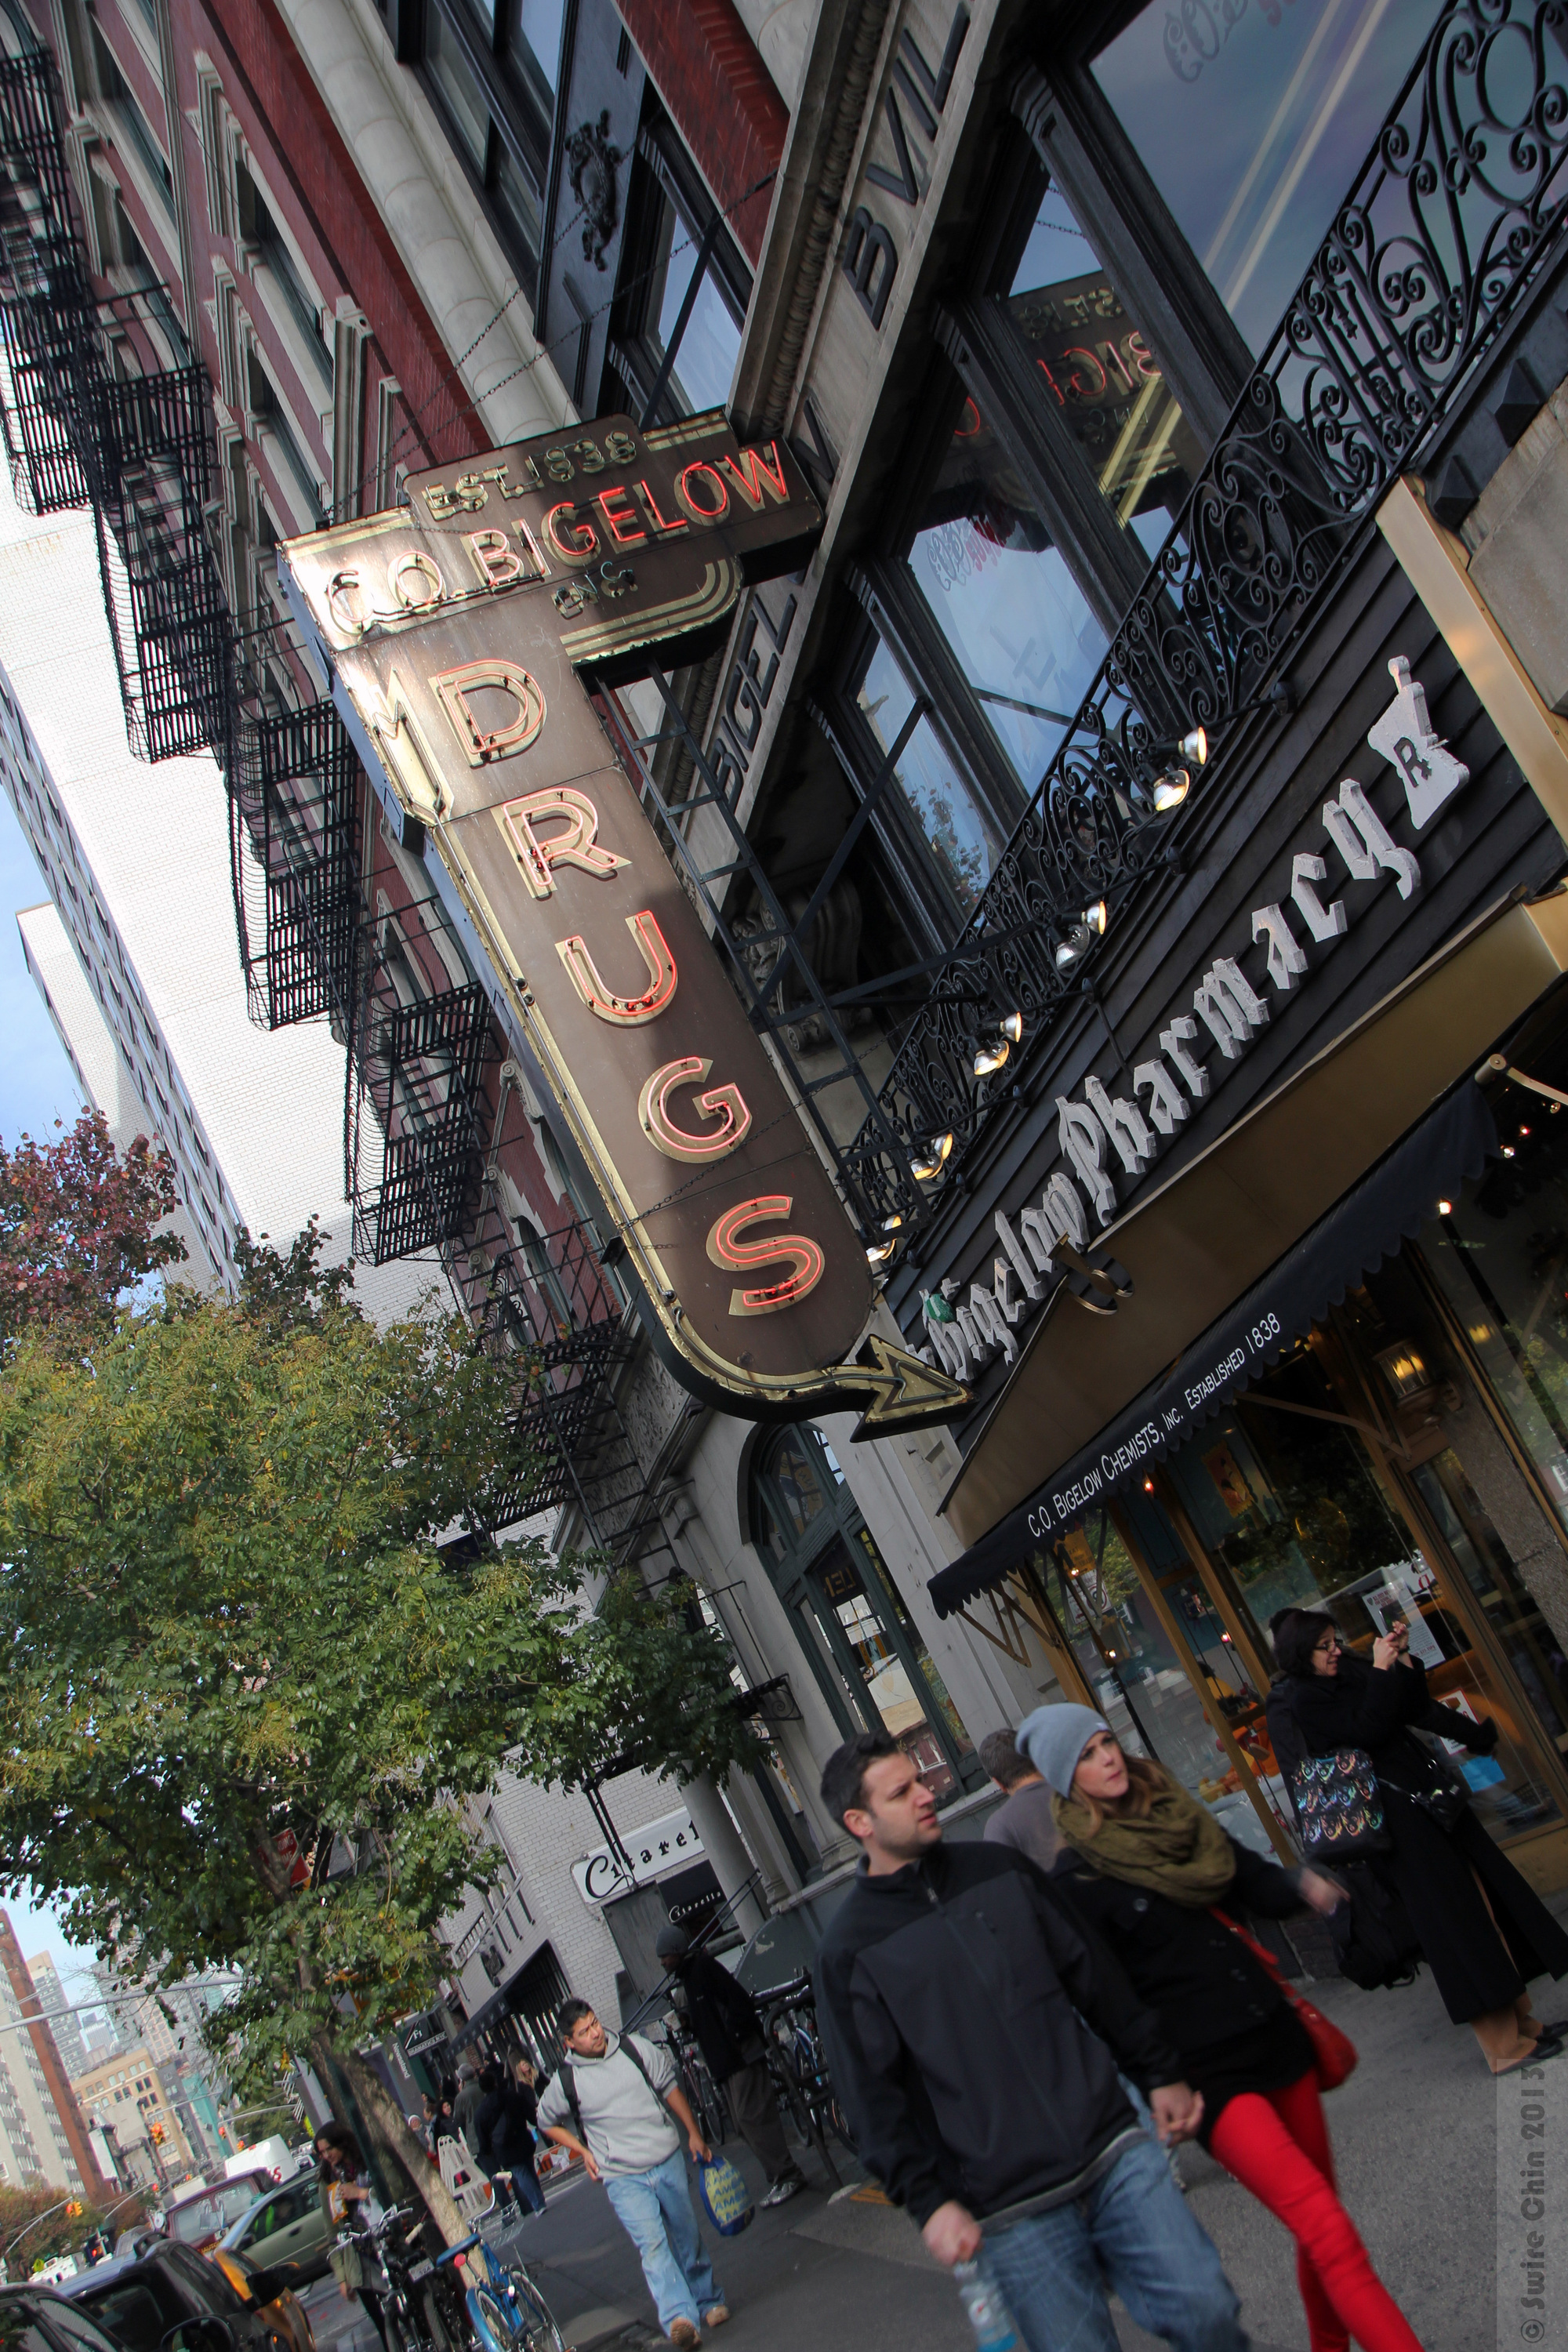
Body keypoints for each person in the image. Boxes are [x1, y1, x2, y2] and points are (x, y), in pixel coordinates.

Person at [811, 1728, 1247, 2352]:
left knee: (1207, 2311)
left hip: (1113, 2147)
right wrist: (932, 2202)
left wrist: (1158, 2072)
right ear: (860, 1821)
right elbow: (872, 2100)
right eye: (902, 1791)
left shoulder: (1000, 1870)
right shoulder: (849, 1952)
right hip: (1010, 2209)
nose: (927, 1793)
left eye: (921, 1779)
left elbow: (1093, 1975)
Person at [1039, 1703, 1425, 2352]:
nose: (1106, 1757)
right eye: (1085, 1753)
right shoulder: (1075, 1879)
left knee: (1322, 2228)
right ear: (1062, 1776)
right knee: (1327, 2228)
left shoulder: (1173, 1813)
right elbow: (1105, 2001)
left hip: (1273, 2035)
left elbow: (1248, 1880)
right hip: (1209, 2078)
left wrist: (1305, 1884)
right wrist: (1158, 2081)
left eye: (1106, 1741)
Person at [1268, 1606, 1568, 2074]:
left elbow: (1408, 1705)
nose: (1335, 1651)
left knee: (1485, 1904)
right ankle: (1501, 2046)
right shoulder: (1305, 1699)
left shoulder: (1348, 1669)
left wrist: (1404, 1662)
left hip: (1429, 1800)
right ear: (1299, 1653)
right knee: (1455, 1924)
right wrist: (1383, 1669)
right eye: (1324, 1645)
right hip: (1398, 1820)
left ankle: (1520, 2022)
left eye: (1335, 1640)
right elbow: (1364, 1731)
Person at [539, 1998, 729, 2350]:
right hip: (622, 2176)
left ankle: (709, 2301)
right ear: (568, 2042)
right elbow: (545, 2121)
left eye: (595, 2023)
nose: (595, 2033)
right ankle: (681, 2319)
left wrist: (694, 2133)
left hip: (665, 2155)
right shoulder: (567, 2080)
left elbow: (669, 2088)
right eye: (584, 2032)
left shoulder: (632, 2048)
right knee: (653, 2247)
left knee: (687, 2236)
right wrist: (582, 2151)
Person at [655, 1924, 807, 2208]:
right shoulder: (690, 1978)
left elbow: (737, 2001)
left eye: (664, 1956)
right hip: (725, 2061)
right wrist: (688, 2024)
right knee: (741, 2123)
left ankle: (788, 2174)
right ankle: (778, 2175)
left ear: (676, 1951)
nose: (662, 1962)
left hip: (738, 2055)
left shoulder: (703, 1969)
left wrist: (736, 2037)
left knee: (753, 2117)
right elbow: (709, 2018)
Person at [315, 2122, 387, 2350]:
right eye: (322, 2153)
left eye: (329, 2150)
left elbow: (392, 2187)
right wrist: (342, 2278)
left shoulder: (366, 2158)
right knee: (380, 2319)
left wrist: (361, 2192)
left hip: (386, 2237)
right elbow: (332, 2231)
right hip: (359, 2254)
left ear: (342, 2142)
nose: (328, 2156)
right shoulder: (329, 2180)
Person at [979, 1722, 1062, 1873]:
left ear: (998, 1783)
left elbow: (1005, 1883)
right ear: (1034, 1759)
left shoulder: (999, 1826)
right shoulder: (1074, 1788)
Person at [477, 2055, 547, 2218]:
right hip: (522, 2138)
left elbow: (482, 2134)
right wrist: (538, 2123)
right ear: (495, 2082)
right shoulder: (511, 2096)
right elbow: (529, 2112)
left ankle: (538, 2203)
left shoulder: (481, 2111)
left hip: (503, 2147)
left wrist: (487, 2149)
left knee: (520, 2173)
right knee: (529, 2169)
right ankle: (539, 2199)